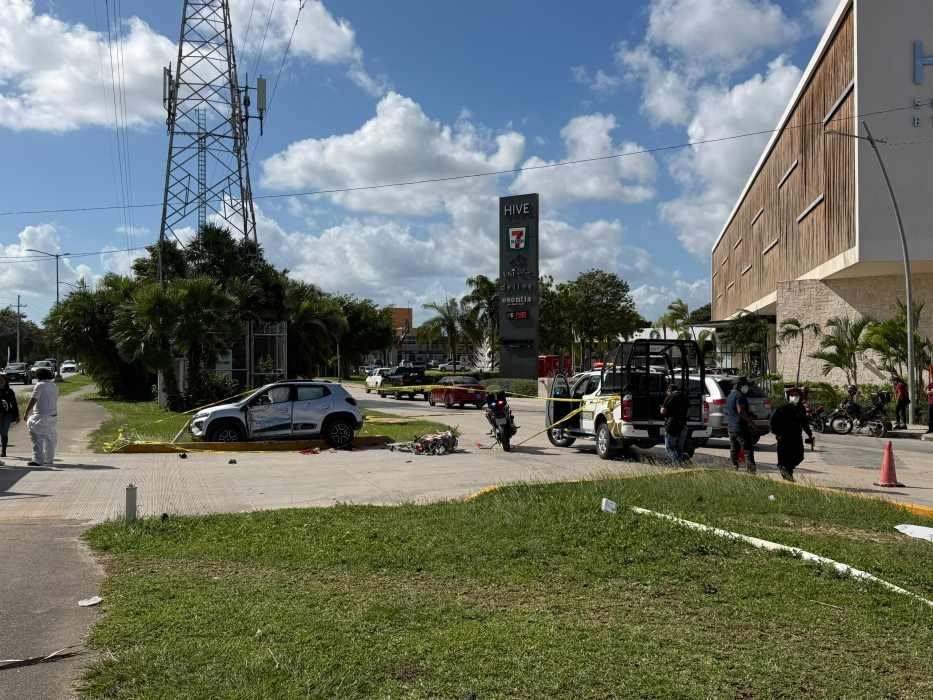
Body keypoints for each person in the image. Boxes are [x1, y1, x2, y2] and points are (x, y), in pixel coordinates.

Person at [769, 387, 814, 482]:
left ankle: (788, 471)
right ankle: (786, 473)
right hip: (784, 437)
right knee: (784, 457)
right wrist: (777, 433)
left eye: (796, 395)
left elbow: (804, 422)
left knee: (799, 456)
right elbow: (773, 422)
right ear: (788, 397)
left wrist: (810, 434)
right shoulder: (782, 408)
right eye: (792, 395)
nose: (794, 397)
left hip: (796, 436)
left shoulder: (801, 408)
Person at [24, 367, 58, 467]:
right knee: (50, 438)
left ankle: (38, 460)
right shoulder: (54, 385)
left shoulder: (40, 385)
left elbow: (33, 399)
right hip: (52, 416)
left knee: (37, 437)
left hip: (40, 416)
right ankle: (49, 459)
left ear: (39, 376)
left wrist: (26, 412)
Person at [725, 376, 757, 473]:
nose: (746, 387)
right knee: (747, 449)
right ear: (739, 385)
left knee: (734, 449)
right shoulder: (740, 396)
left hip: (731, 428)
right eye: (745, 385)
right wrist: (751, 423)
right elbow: (740, 411)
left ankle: (734, 467)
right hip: (741, 428)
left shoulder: (730, 396)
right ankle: (751, 471)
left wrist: (749, 414)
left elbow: (733, 411)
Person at [660, 381, 689, 464]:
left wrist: (663, 408)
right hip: (683, 425)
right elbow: (689, 412)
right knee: (679, 448)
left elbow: (663, 411)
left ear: (670, 390)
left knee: (669, 447)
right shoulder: (685, 397)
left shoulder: (670, 396)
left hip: (672, 425)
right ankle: (680, 465)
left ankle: (677, 465)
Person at [0, 373, 20, 457]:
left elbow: (14, 404)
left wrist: (17, 416)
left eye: (1, 380)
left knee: (4, 432)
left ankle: (3, 451)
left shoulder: (9, 391)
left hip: (7, 414)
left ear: (5, 381)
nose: (0, 381)